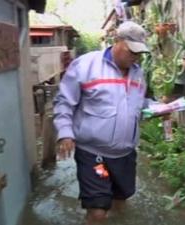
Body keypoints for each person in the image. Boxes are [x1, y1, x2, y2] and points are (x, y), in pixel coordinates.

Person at [53, 21, 150, 224]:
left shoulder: (138, 73)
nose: (135, 57)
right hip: (94, 155)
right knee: (98, 210)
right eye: (131, 51)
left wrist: (159, 109)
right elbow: (64, 102)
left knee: (120, 203)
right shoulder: (85, 66)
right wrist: (65, 133)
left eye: (139, 53)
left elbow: (136, 106)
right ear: (116, 40)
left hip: (125, 155)